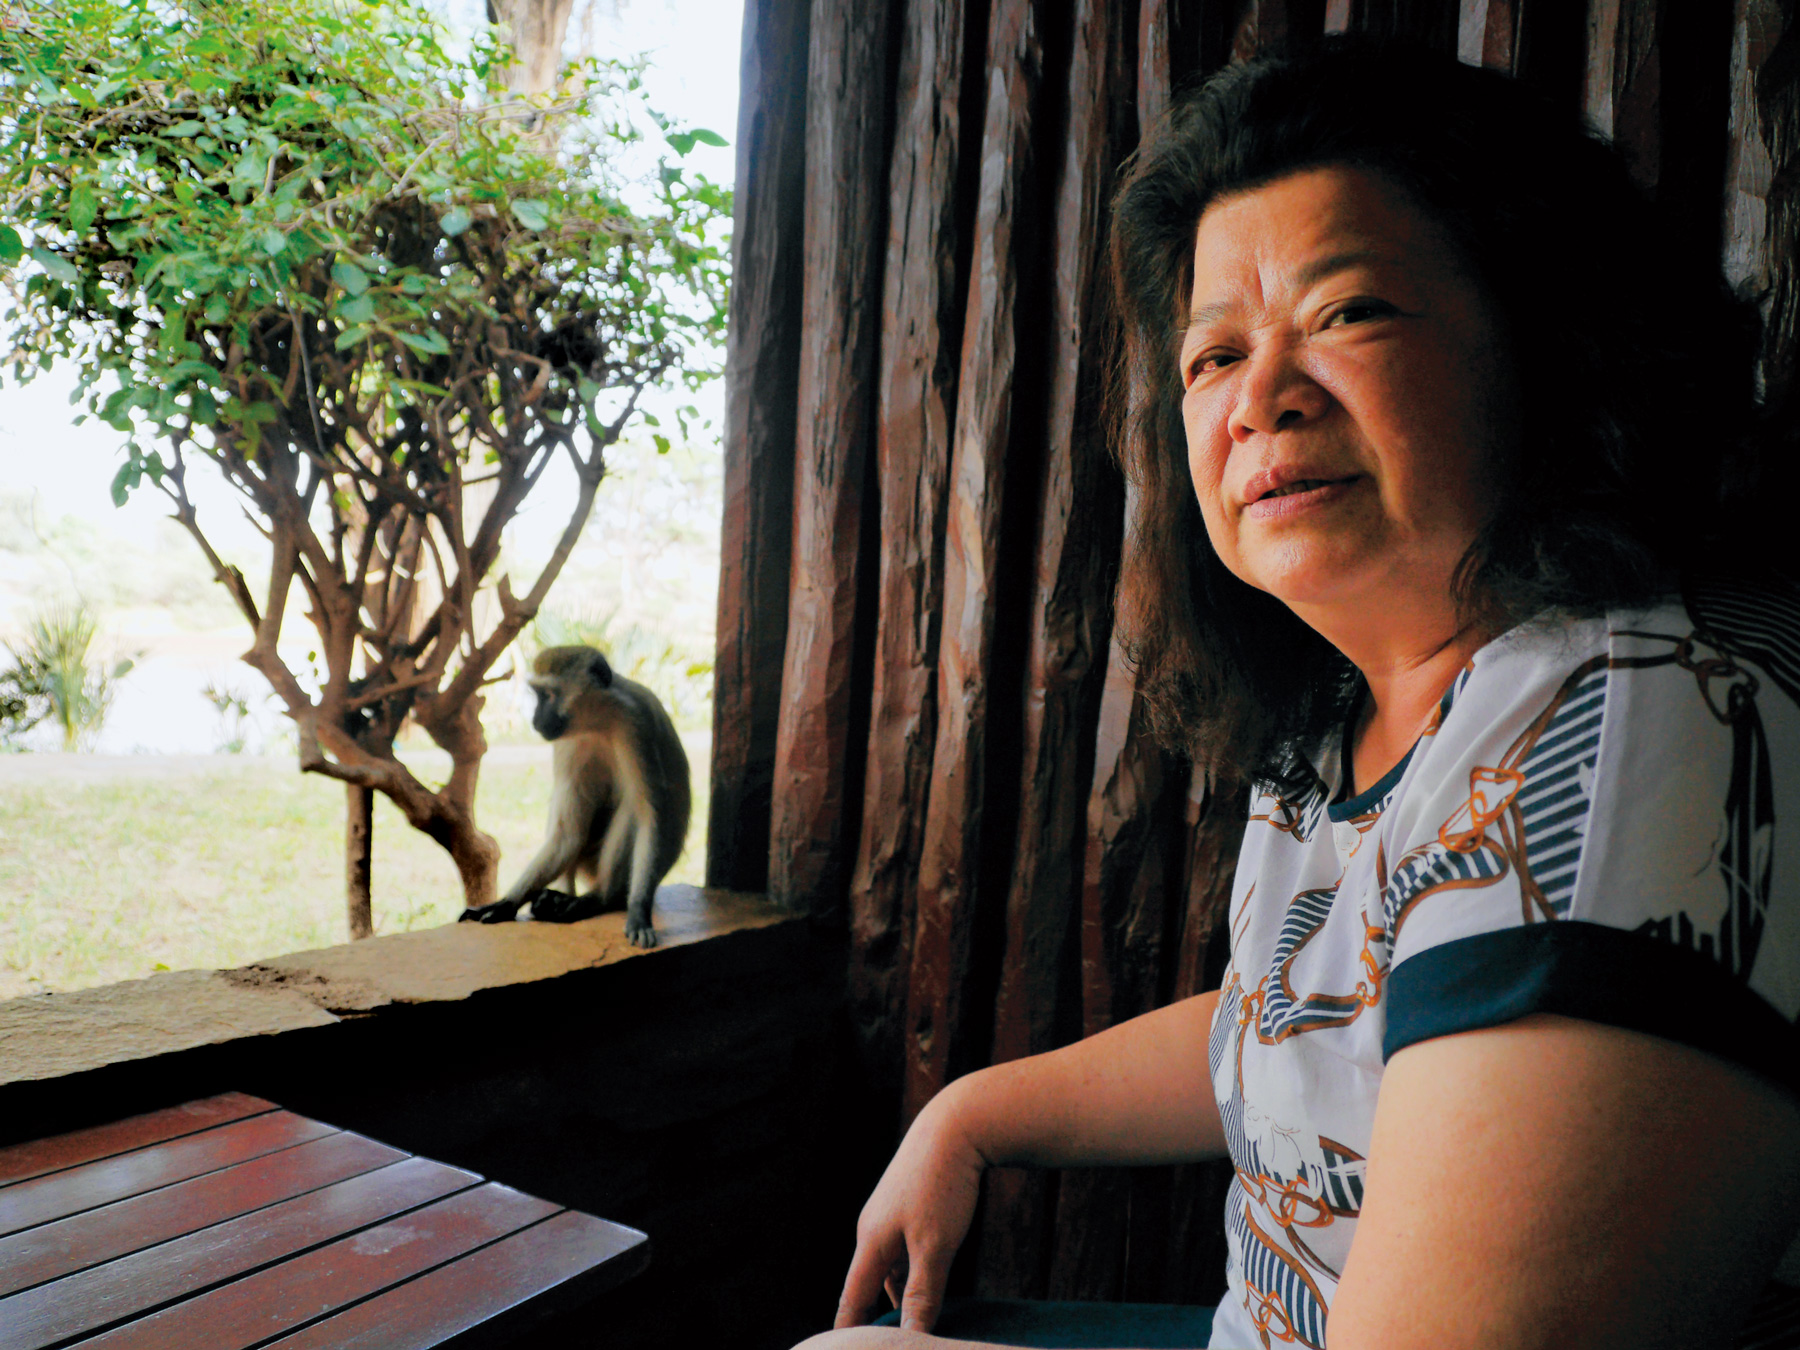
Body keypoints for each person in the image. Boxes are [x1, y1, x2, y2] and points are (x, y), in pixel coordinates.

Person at [800, 40, 1800, 1350]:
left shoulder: (1636, 737)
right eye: (1213, 355)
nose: (1259, 400)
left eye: (1347, 313)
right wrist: (973, 1111)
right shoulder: (1354, 705)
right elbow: (1297, 1022)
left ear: (1551, 341)